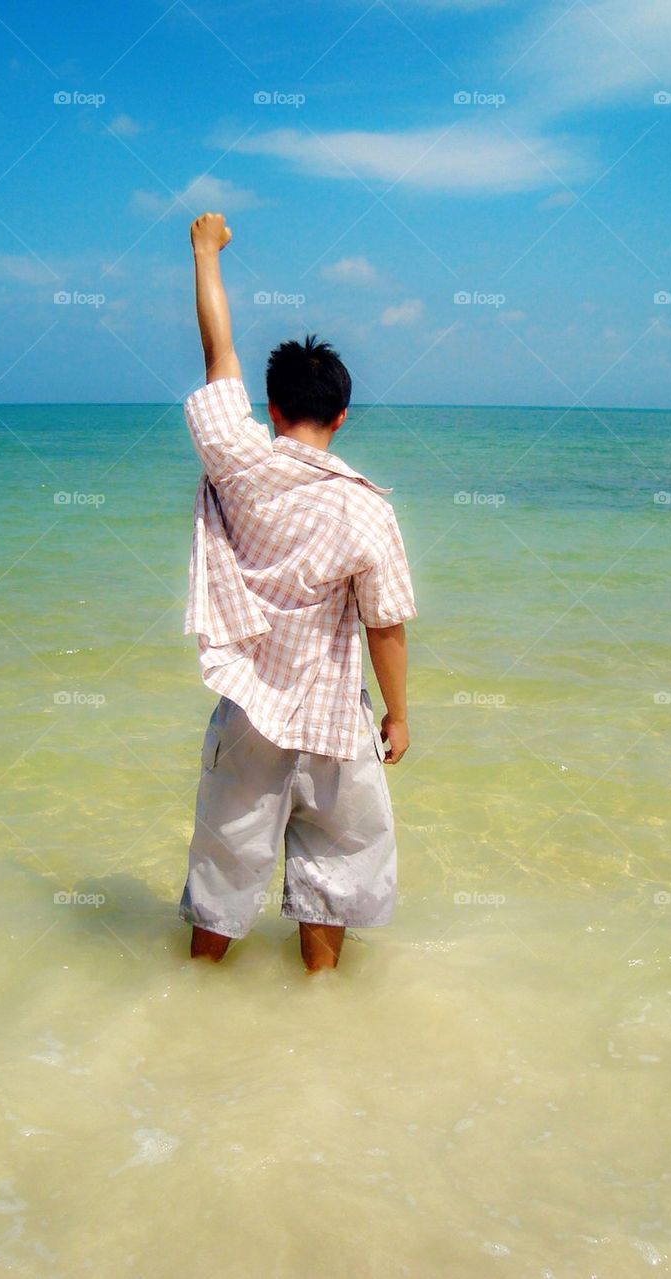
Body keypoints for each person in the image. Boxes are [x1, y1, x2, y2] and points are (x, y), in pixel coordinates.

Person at [179, 211, 417, 972]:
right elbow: (386, 626)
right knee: (335, 876)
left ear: (271, 409)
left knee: (223, 868)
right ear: (342, 417)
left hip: (250, 711)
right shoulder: (367, 507)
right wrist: (400, 715)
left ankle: (193, 997)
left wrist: (205, 251)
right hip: (334, 722)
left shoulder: (240, 461)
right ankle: (319, 1016)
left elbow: (219, 352)